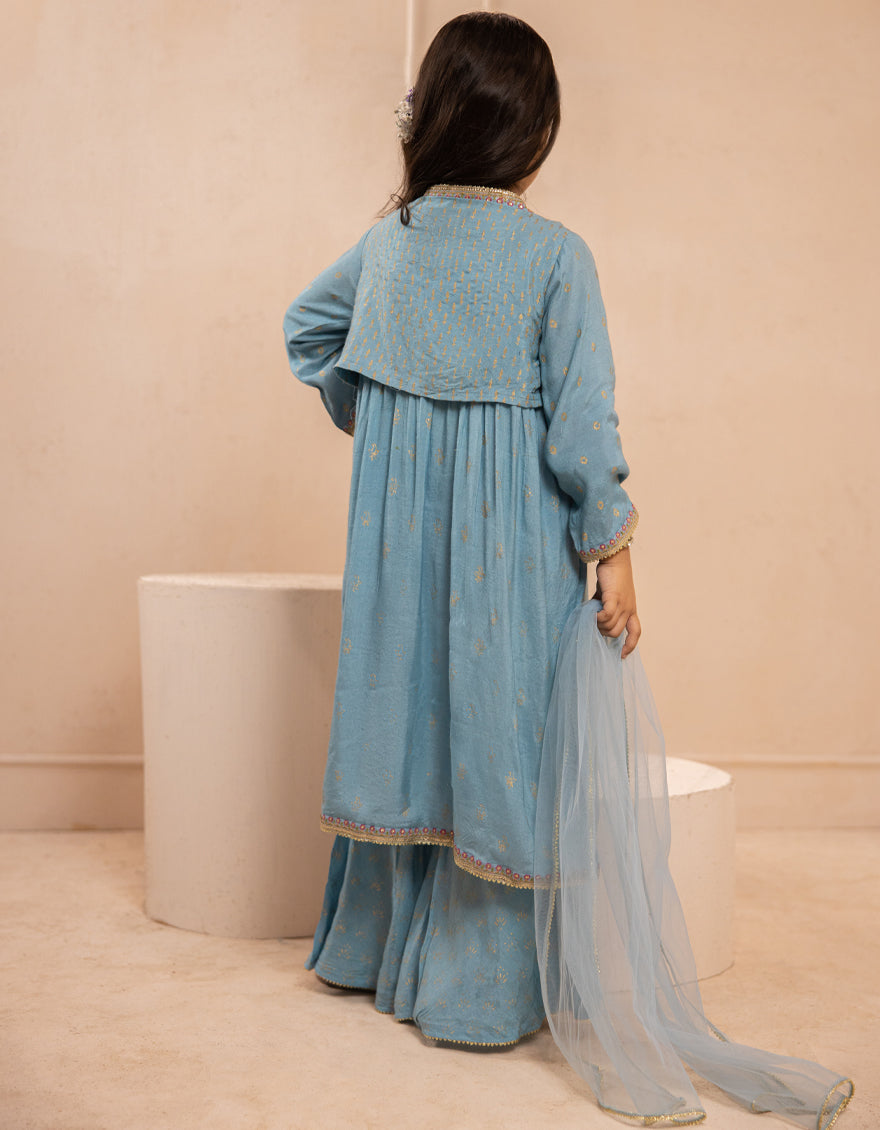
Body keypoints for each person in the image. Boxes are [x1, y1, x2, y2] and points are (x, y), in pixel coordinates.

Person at [283, 12, 854, 1127]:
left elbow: (308, 329)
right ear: (531, 133)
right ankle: (476, 994)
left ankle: (371, 957)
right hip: (507, 553)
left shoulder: (391, 240)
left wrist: (390, 421)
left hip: (399, 553)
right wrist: (613, 545)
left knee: (411, 728)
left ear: (434, 119)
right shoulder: (554, 255)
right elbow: (582, 425)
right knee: (501, 737)